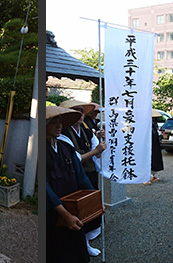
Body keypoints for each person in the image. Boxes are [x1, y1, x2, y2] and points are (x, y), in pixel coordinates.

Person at [46, 106, 96, 263]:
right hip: (55, 214)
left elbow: (81, 177)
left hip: (75, 208)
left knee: (78, 251)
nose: (58, 126)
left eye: (60, 122)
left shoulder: (66, 146)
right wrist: (65, 214)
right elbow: (46, 188)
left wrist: (94, 200)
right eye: (53, 122)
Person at [59, 99, 106, 256]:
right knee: (78, 210)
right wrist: (95, 151)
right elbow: (76, 158)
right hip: (73, 176)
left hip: (90, 174)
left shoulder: (86, 130)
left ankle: (87, 240)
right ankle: (81, 244)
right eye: (76, 111)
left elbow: (97, 153)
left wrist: (101, 144)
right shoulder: (63, 133)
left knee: (90, 209)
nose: (80, 114)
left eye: (81, 111)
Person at [144, 110, 165, 185]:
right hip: (148, 144)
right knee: (147, 160)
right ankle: (145, 178)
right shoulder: (145, 124)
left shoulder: (154, 124)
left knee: (155, 159)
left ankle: (153, 175)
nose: (154, 118)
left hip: (155, 143)